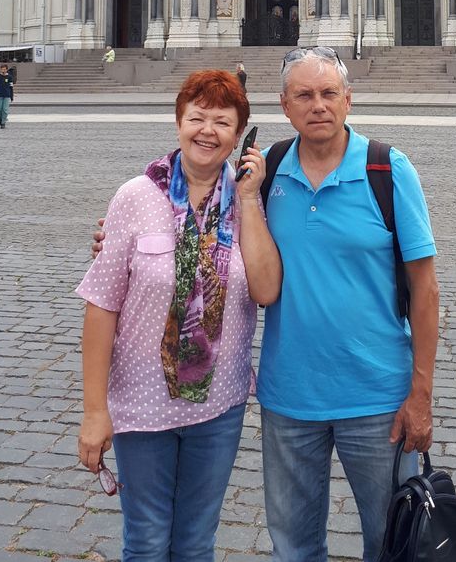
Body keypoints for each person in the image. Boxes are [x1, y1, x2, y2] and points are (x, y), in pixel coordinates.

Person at [91, 46, 439, 562]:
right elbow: (154, 256)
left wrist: (421, 393)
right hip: (289, 400)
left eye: (328, 93)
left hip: (376, 397)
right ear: (285, 105)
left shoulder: (384, 169)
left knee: (392, 541)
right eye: (304, 95)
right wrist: (114, 240)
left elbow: (425, 289)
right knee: (291, 546)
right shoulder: (268, 172)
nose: (317, 105)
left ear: (349, 100)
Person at [77, 70, 281, 562]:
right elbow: (102, 305)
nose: (207, 131)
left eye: (223, 122)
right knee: (146, 542)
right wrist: (94, 410)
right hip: (143, 403)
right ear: (178, 123)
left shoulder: (251, 199)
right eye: (197, 118)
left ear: (239, 136)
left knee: (195, 542)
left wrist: (251, 201)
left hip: (218, 405)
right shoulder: (136, 197)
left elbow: (267, 289)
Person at [0, 64, 14, 128]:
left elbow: (11, 87)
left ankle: (3, 122)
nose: (3, 70)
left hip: (7, 95)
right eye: (2, 69)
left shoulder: (10, 77)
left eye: (4, 69)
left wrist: (11, 96)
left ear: (6, 70)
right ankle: (1, 119)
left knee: (5, 110)